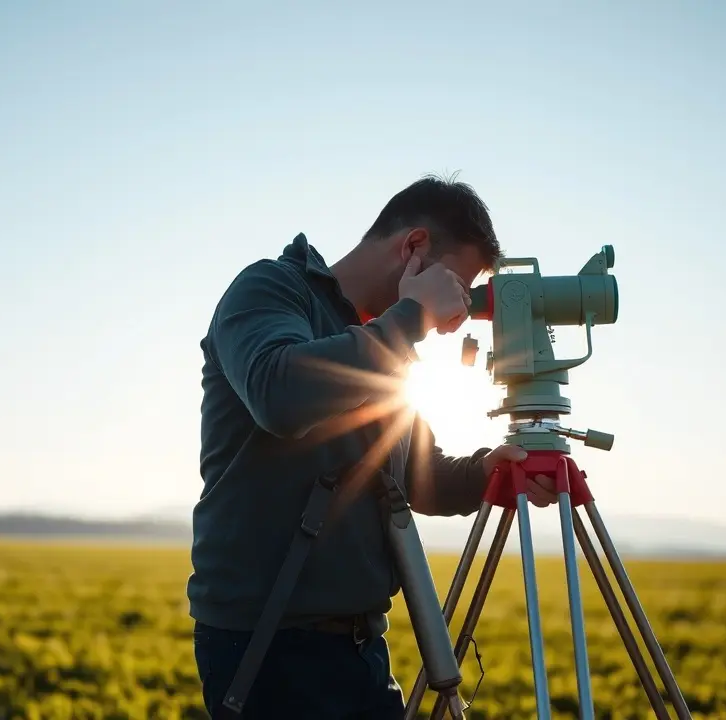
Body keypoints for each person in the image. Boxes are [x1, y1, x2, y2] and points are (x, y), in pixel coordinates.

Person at [188, 174, 558, 719]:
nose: (456, 316)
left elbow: (414, 475)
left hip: (361, 646)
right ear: (413, 247)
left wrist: (486, 472)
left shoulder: (388, 344)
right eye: (454, 287)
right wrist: (410, 317)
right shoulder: (270, 289)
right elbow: (279, 393)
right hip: (266, 647)